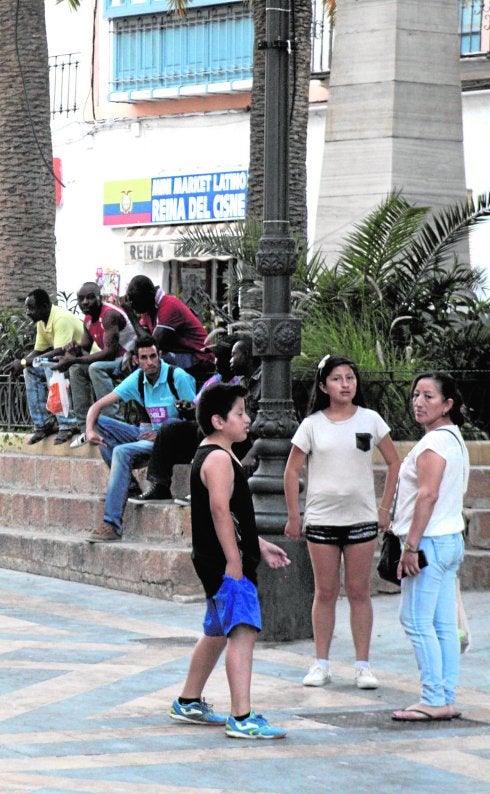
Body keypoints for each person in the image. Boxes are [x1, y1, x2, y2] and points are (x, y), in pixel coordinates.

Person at [170, 382, 290, 739]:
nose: (247, 419)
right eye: (239, 413)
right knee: (243, 630)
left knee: (217, 629)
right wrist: (235, 562)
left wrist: (259, 544)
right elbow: (220, 511)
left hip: (215, 559)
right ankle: (242, 716)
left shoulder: (211, 453)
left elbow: (232, 517)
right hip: (224, 563)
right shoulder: (220, 458)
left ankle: (188, 700)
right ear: (218, 420)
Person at [284, 354, 400, 689]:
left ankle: (363, 665)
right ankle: (321, 663)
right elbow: (292, 471)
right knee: (325, 591)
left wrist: (384, 508)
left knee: (359, 591)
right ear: (323, 386)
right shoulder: (312, 425)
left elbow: (395, 462)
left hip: (362, 519)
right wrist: (295, 514)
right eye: (337, 378)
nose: (345, 384)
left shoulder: (371, 420)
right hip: (321, 519)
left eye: (350, 377)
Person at [390, 372, 469, 722]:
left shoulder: (435, 443)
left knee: (417, 620)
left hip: (431, 542)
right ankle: (444, 696)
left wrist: (410, 546)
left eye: (429, 397)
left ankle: (434, 696)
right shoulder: (454, 439)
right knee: (441, 625)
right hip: (449, 539)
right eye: (416, 395)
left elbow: (428, 494)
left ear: (448, 404)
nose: (419, 402)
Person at [84, 335, 196, 543]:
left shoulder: (176, 376)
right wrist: (89, 431)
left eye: (153, 356)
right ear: (137, 360)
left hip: (174, 442)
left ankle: (111, 524)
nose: (150, 362)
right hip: (149, 436)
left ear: (160, 355)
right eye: (144, 358)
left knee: (120, 451)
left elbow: (196, 419)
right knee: (102, 427)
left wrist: (161, 434)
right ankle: (129, 486)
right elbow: (96, 407)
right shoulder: (137, 379)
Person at [131, 334, 240, 502]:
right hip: (209, 431)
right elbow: (197, 406)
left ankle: (201, 489)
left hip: (232, 437)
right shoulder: (214, 380)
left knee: (206, 431)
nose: (215, 362)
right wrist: (189, 408)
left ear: (232, 359)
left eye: (220, 358)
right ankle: (159, 485)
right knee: (169, 428)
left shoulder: (240, 382)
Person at [53, 282, 137, 447]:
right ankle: (86, 427)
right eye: (81, 298)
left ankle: (113, 423)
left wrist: (74, 359)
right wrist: (72, 351)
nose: (85, 302)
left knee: (95, 367)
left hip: (132, 360)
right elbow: (84, 346)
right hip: (115, 363)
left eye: (90, 297)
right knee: (76, 369)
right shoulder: (88, 319)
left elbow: (109, 353)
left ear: (100, 298)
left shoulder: (109, 316)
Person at [7, 289, 85, 444]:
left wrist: (23, 362)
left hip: (84, 362)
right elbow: (38, 351)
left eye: (31, 308)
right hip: (69, 362)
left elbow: (59, 351)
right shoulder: (42, 322)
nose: (28, 313)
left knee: (51, 367)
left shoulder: (60, 318)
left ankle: (68, 424)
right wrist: (22, 364)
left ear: (44, 306)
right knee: (31, 370)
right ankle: (43, 425)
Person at [124, 275, 214, 380]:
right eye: (131, 302)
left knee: (146, 365)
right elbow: (143, 340)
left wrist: (130, 315)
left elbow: (152, 345)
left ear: (150, 296)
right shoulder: (148, 307)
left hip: (199, 357)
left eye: (136, 302)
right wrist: (130, 353)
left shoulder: (168, 306)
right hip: (181, 354)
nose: (133, 306)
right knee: (130, 363)